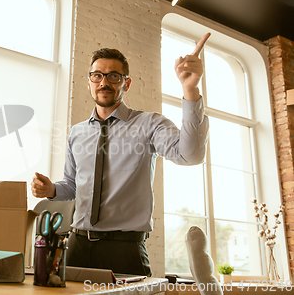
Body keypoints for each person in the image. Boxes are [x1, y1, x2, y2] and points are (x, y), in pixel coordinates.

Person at [31, 33, 211, 276]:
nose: (104, 82)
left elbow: (190, 155)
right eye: (98, 75)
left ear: (125, 83)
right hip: (77, 246)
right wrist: (51, 189)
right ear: (89, 82)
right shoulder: (77, 132)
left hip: (125, 250)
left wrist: (190, 90)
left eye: (113, 76)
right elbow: (73, 185)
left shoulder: (150, 124)